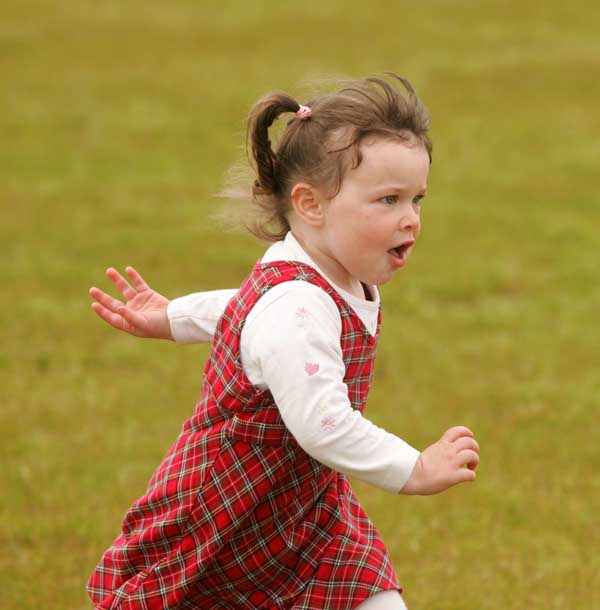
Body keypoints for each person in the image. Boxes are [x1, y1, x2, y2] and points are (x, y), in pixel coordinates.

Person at [87, 73, 480, 610]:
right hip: (232, 508)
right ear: (311, 205)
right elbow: (324, 424)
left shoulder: (320, 276)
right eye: (388, 200)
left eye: (417, 199)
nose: (409, 218)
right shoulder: (296, 305)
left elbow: (244, 303)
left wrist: (173, 315)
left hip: (305, 505)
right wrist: (414, 468)